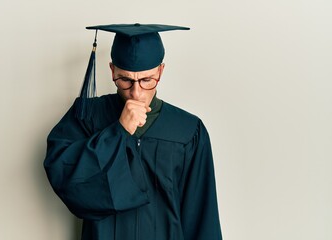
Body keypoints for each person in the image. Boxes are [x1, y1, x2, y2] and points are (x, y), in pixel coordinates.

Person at [44, 23, 223, 240]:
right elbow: (68, 183)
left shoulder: (188, 130)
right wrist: (118, 131)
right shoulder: (87, 116)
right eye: (125, 80)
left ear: (160, 71)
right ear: (112, 71)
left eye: (147, 80)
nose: (136, 93)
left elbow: (202, 219)